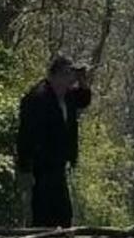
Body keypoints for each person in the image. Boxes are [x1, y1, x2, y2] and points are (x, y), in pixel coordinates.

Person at [15, 55, 92, 228]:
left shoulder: (67, 96)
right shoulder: (37, 98)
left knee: (63, 211)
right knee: (43, 209)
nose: (69, 81)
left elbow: (84, 99)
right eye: (66, 75)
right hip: (40, 164)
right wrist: (25, 166)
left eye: (71, 77)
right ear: (54, 75)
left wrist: (82, 79)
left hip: (58, 162)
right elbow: (26, 133)